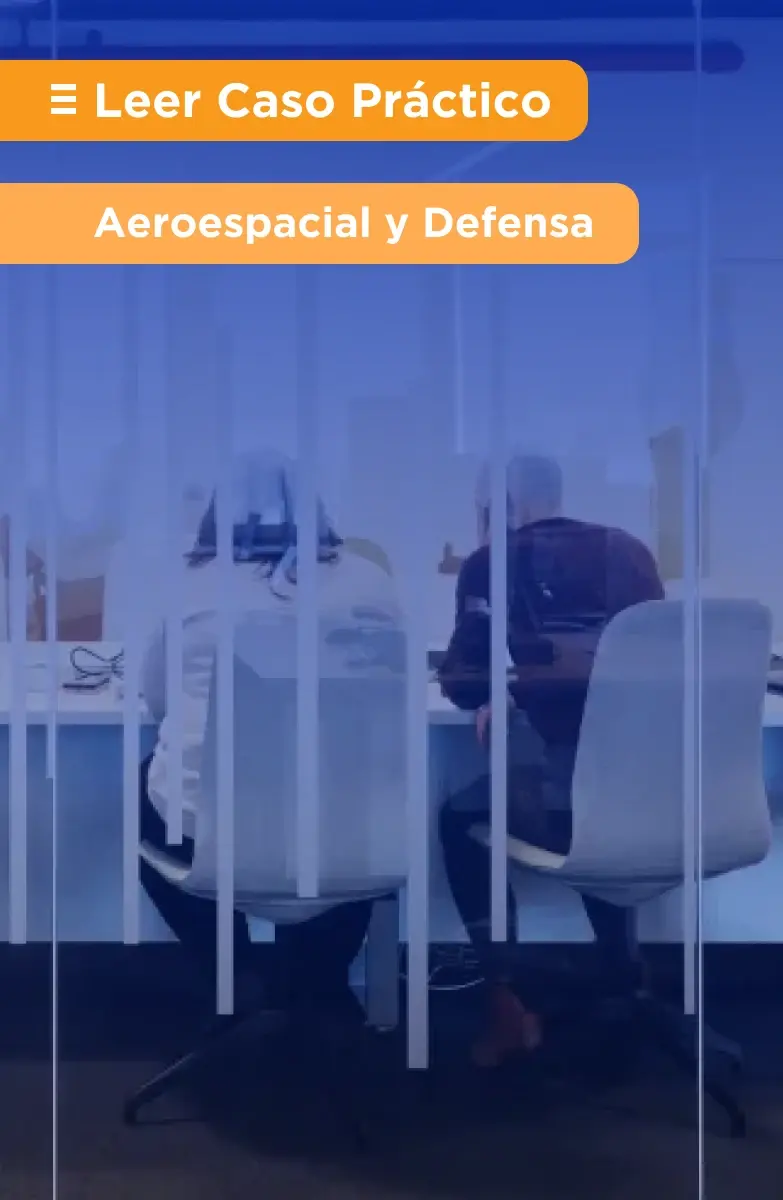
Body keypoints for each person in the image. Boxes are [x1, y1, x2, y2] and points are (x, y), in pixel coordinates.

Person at [139, 450, 403, 1024]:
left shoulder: (191, 584)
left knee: (145, 789)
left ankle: (234, 979)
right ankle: (319, 984)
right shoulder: (370, 581)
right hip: (346, 833)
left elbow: (157, 701)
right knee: (359, 807)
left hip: (211, 833)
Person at [438, 452, 665, 1066]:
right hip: (654, 793)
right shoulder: (630, 552)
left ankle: (505, 1002)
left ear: (499, 506)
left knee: (461, 818)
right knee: (593, 795)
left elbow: (461, 681)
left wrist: (496, 687)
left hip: (576, 798)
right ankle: (623, 975)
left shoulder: (494, 562)